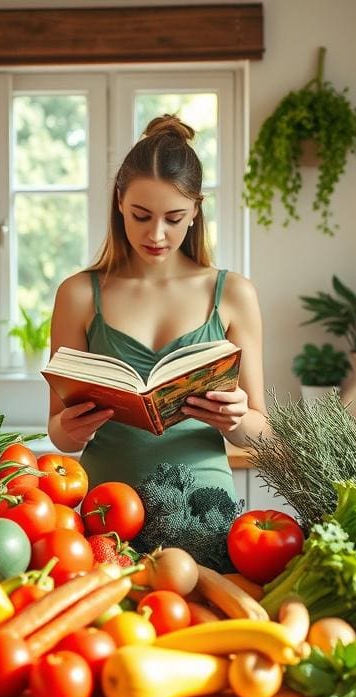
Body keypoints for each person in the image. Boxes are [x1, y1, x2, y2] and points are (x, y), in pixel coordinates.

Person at [47, 115, 269, 501]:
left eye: (174, 217)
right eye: (141, 215)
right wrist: (71, 429)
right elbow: (59, 434)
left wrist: (236, 420)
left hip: (205, 512)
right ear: (119, 202)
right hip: (107, 512)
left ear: (196, 211)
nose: (156, 234)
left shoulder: (234, 294)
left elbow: (262, 431)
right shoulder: (79, 295)